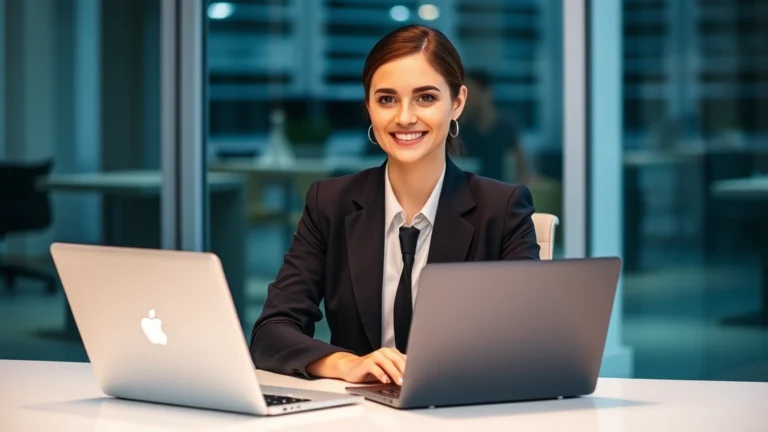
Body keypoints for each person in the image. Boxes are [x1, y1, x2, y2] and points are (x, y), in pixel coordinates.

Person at [249, 25, 540, 387]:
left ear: (458, 103)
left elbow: (526, 340)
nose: (404, 117)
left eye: (426, 98)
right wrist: (344, 363)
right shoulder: (330, 203)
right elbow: (271, 333)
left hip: (461, 410)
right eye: (387, 99)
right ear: (368, 106)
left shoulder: (502, 209)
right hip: (358, 414)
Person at [461, 70, 532, 183]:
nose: (466, 98)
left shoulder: (506, 125)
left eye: (470, 92)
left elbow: (522, 165)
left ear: (486, 92)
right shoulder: (462, 127)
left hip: (499, 190)